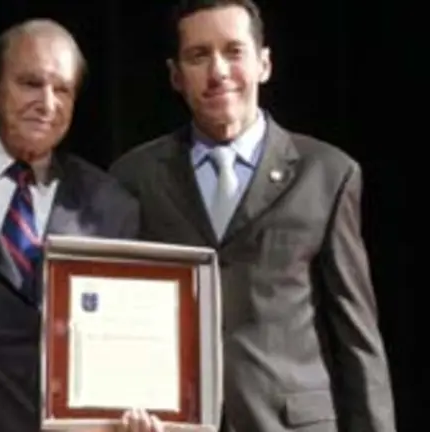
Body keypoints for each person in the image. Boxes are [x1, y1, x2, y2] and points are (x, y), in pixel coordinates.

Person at [108, 1, 396, 431]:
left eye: (233, 51)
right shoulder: (134, 177)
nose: (218, 71)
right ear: (175, 76)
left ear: (264, 63)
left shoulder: (327, 173)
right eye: (199, 55)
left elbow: (357, 337)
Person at [0, 18, 167, 432]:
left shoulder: (110, 203)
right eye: (31, 83)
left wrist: (135, 403)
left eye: (62, 89)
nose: (47, 103)